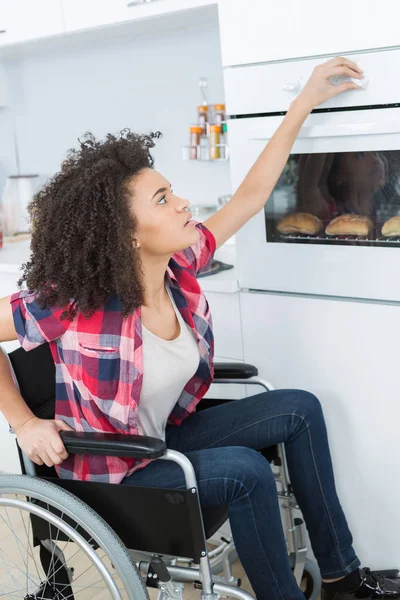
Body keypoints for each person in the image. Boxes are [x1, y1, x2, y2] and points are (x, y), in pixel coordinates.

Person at [0, 57, 398, 600]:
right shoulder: (76, 299)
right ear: (127, 235)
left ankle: (341, 578)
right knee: (244, 470)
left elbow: (251, 198)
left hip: (159, 442)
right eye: (163, 199)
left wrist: (302, 102)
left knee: (299, 407)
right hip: (112, 473)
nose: (183, 201)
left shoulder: (181, 264)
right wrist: (24, 423)